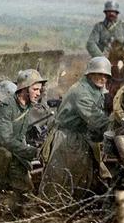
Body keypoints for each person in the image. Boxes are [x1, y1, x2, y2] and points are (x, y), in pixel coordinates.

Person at [40, 57, 112, 201]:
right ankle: (46, 214)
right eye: (99, 74)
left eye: (105, 75)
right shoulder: (81, 92)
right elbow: (96, 119)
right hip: (67, 138)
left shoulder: (95, 89)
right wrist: (117, 126)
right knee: (59, 180)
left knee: (82, 178)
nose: (102, 78)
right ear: (90, 74)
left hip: (81, 137)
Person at [0, 70, 48, 211]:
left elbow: (20, 135)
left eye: (39, 90)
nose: (38, 93)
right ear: (24, 89)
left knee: (24, 188)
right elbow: (6, 140)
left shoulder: (27, 105)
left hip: (10, 153)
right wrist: (31, 152)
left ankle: (13, 222)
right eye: (35, 89)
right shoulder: (7, 107)